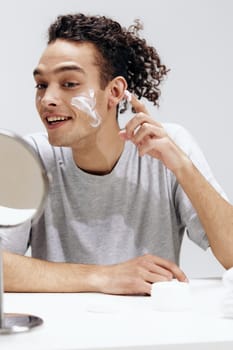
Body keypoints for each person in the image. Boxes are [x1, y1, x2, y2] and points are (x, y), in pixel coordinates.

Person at [1, 13, 233, 295]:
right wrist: (103, 277)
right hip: (60, 335)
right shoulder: (33, 157)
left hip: (149, 332)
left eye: (69, 84)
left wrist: (184, 168)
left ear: (114, 91)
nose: (48, 99)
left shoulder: (169, 147)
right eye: (41, 85)